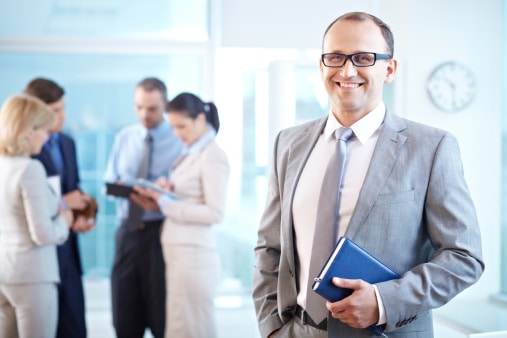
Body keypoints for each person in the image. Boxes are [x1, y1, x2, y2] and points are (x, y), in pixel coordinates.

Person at [252, 11, 484, 338]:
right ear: (321, 66)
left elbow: (464, 257)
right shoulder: (288, 143)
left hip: (384, 332)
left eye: (363, 57)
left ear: (389, 69)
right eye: (335, 57)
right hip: (297, 330)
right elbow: (270, 246)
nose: (347, 70)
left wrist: (383, 300)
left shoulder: (431, 147)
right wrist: (272, 328)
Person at [132, 92, 229, 338]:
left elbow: (215, 212)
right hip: (181, 256)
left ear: (199, 119)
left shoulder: (212, 155)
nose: (177, 133)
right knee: (180, 326)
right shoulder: (193, 152)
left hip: (193, 258)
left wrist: (165, 202)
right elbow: (192, 195)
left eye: (181, 126)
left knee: (192, 327)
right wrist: (168, 191)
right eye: (173, 126)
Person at [104, 77, 183, 338]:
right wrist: (125, 190)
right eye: (139, 107)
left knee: (161, 313)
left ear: (165, 105)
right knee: (124, 314)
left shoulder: (179, 139)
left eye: (152, 109)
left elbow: (185, 193)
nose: (144, 115)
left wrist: (161, 193)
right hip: (127, 232)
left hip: (160, 234)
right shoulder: (125, 136)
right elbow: (110, 181)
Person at [23, 77, 95, 338]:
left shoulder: (67, 143)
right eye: (55, 111)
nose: (62, 117)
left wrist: (80, 216)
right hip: (38, 255)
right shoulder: (21, 152)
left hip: (69, 253)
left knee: (75, 328)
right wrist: (64, 204)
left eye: (63, 108)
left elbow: (73, 188)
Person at [0, 95, 73, 338]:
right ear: (28, 130)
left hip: (5, 274)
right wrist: (65, 221)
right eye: (43, 130)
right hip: (33, 277)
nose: (47, 136)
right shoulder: (30, 168)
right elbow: (42, 233)